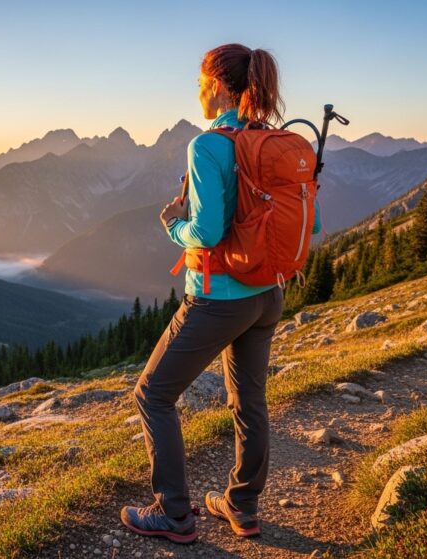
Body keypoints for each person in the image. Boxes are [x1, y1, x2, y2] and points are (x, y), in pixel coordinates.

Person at [119, 43, 321, 543]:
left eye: (198, 82)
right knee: (249, 401)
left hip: (217, 299)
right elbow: (310, 221)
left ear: (215, 85)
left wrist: (173, 226)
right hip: (267, 296)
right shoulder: (272, 140)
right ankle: (242, 506)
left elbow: (206, 233)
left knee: (153, 394)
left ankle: (174, 513)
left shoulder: (208, 146)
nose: (197, 91)